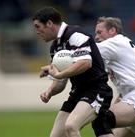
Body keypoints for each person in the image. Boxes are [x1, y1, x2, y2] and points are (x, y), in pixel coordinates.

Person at [32, 7, 113, 137]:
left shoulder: (74, 34)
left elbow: (85, 63)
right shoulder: (55, 47)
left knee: (71, 125)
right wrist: (50, 91)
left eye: (38, 26)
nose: (36, 32)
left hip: (97, 90)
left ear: (49, 23)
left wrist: (59, 74)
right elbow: (60, 81)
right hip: (78, 93)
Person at [91, 17, 135, 137]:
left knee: (101, 120)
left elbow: (87, 53)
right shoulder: (122, 45)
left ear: (112, 30)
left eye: (99, 32)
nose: (96, 37)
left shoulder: (115, 42)